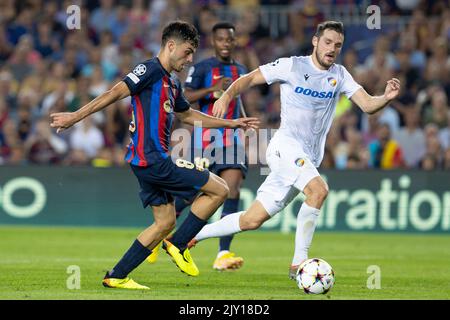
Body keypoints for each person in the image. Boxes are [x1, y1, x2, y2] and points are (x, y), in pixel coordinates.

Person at [178, 21, 401, 280]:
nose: (332, 49)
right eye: (328, 42)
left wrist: (384, 98)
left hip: (307, 158)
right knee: (318, 191)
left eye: (337, 45)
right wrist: (227, 95)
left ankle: (191, 236)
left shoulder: (340, 75)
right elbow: (249, 78)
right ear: (316, 42)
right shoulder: (292, 65)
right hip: (284, 147)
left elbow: (367, 105)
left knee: (252, 219)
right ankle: (298, 265)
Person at [50, 21, 259, 290]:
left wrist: (232, 124)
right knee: (220, 189)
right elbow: (114, 93)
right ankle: (179, 243)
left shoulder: (172, 81)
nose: (190, 58)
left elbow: (188, 116)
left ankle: (117, 274)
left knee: (165, 222)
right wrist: (74, 117)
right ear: (171, 46)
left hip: (146, 161)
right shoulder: (149, 70)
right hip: (153, 159)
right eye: (187, 51)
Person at [147, 22, 248, 271]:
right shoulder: (202, 67)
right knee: (190, 195)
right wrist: (212, 89)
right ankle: (158, 236)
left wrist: (242, 124)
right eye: (221, 39)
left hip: (230, 140)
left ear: (234, 42)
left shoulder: (241, 69)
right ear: (213, 42)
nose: (225, 43)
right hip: (204, 140)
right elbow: (184, 97)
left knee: (232, 188)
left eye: (230, 39)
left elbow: (238, 101)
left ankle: (223, 253)